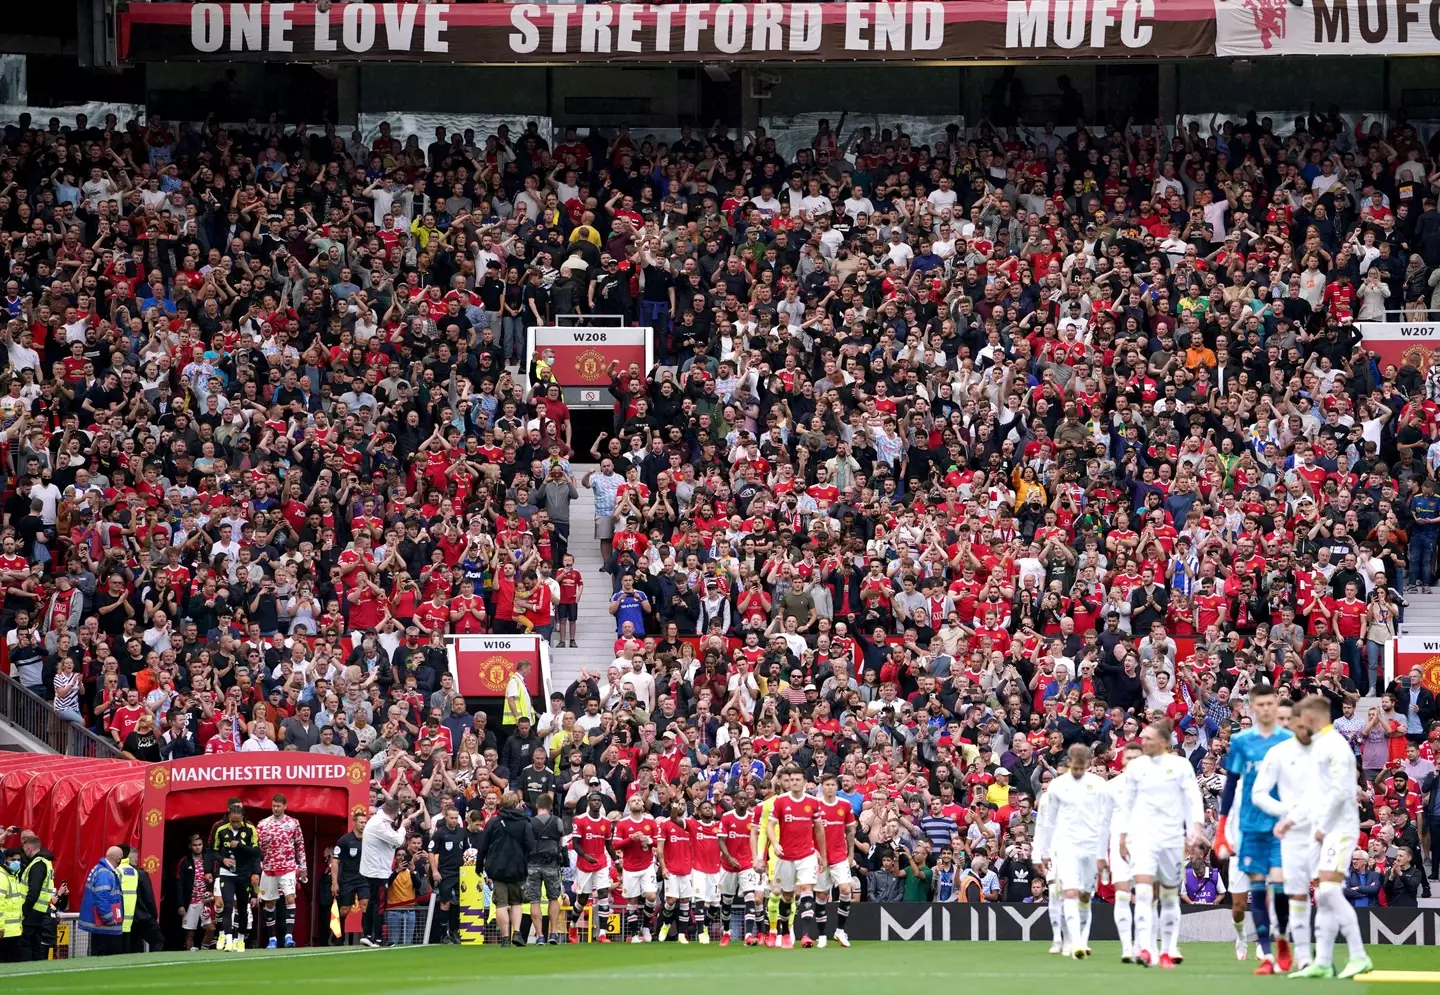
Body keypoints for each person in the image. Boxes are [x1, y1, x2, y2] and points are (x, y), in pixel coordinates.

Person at [1283, 695, 1372, 979]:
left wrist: (1323, 825)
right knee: (1322, 895)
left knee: (1330, 891)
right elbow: (1316, 794)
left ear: (1311, 717)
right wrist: (1292, 820)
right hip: (1324, 830)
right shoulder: (1320, 746)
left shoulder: (1335, 746)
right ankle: (1322, 961)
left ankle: (1359, 955)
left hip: (1339, 829)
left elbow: (1343, 791)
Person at [1216, 684, 1294, 974]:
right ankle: (1266, 955)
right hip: (1249, 827)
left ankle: (1282, 938)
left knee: (1280, 885)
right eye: (1258, 704)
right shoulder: (1241, 741)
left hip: (1279, 826)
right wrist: (1222, 828)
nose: (1264, 709)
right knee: (1257, 890)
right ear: (1251, 706)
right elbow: (1232, 784)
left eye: (1269, 704)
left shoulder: (1287, 741)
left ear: (1275, 706)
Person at [1118, 719, 1204, 968]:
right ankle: (1146, 948)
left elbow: (1192, 798)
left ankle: (1168, 948)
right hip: (1143, 838)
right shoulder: (1136, 768)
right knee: (1144, 893)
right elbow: (1127, 804)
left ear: (1164, 742)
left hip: (1172, 839)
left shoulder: (1179, 766)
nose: (1142, 741)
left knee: (1168, 896)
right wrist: (1123, 836)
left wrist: (1195, 828)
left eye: (1148, 738)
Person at [1034, 743, 1107, 959]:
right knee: (1069, 893)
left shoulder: (1099, 784)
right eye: (1073, 767)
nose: (1076, 771)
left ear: (1088, 764)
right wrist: (1043, 852)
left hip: (1091, 847)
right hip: (1066, 846)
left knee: (1084, 896)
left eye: (1080, 767)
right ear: (1069, 763)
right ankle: (1074, 943)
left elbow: (1106, 820)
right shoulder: (1057, 786)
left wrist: (1103, 853)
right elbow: (1047, 823)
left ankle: (1082, 940)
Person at [767, 764, 827, 948]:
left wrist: (822, 855)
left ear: (805, 782)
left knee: (807, 889)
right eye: (791, 780)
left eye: (797, 780)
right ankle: (784, 932)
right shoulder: (780, 801)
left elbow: (819, 830)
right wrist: (775, 843)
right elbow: (770, 825)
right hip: (785, 856)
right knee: (786, 895)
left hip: (806, 854)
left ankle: (806, 935)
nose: (794, 782)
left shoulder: (812, 802)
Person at [1100, 742, 1144, 963]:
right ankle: (1127, 947)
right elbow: (1104, 822)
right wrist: (1101, 855)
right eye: (1130, 758)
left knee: (1145, 897)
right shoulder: (1112, 787)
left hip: (1145, 847)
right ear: (1123, 760)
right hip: (1119, 850)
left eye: (1138, 758)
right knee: (1123, 896)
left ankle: (1141, 945)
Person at [474, 791, 534, 946]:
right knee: (516, 902)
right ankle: (517, 933)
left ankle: (505, 938)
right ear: (516, 804)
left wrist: (479, 866)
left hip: (498, 868)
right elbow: (531, 846)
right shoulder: (524, 822)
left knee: (500, 903)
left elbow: (483, 846)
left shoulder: (494, 822)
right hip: (518, 868)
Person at [358, 798, 420, 947]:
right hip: (378, 871)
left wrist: (400, 818)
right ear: (394, 813)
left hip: (372, 869)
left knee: (373, 903)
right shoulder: (380, 824)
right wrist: (403, 826)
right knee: (379, 905)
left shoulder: (378, 818)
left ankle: (368, 935)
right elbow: (398, 841)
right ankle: (377, 938)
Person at [256, 793, 307, 948]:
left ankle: (288, 936)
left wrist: (303, 867)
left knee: (290, 898)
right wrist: (258, 865)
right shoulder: (263, 824)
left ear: (285, 806)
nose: (276, 808)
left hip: (288, 867)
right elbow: (256, 848)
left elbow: (300, 845)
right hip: (269, 868)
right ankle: (272, 938)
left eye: (278, 806)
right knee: (270, 902)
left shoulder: (293, 823)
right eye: (273, 806)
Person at [209, 800, 260, 952]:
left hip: (244, 874)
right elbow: (211, 851)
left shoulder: (251, 830)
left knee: (243, 908)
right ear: (228, 817)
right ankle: (228, 940)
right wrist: (222, 859)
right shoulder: (221, 829)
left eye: (238, 821)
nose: (235, 825)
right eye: (233, 821)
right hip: (226, 873)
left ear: (243, 817)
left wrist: (240, 846)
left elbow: (257, 853)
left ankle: (241, 940)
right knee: (227, 905)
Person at [814, 773, 856, 948]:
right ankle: (822, 935)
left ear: (836, 787)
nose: (830, 787)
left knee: (846, 889)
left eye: (833, 785)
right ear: (822, 787)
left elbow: (850, 831)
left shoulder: (845, 805)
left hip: (839, 855)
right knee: (822, 895)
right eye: (827, 785)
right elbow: (808, 831)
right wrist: (814, 851)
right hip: (820, 857)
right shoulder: (815, 805)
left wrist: (851, 853)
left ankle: (839, 930)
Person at [612, 794, 659, 943]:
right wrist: (630, 839)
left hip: (647, 865)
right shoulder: (622, 823)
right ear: (628, 805)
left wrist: (648, 840)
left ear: (643, 804)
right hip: (630, 867)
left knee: (651, 896)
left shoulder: (650, 822)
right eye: (633, 800)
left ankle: (645, 926)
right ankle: (633, 935)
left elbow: (659, 842)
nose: (637, 802)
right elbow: (615, 845)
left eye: (639, 800)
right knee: (631, 901)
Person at [569, 792, 613, 944]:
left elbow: (609, 844)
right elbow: (575, 844)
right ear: (588, 802)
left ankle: (602, 934)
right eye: (593, 800)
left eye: (598, 800)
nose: (596, 802)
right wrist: (585, 856)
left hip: (601, 862)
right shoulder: (580, 820)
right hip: (584, 865)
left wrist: (617, 861)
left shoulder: (606, 822)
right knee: (582, 899)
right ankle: (573, 925)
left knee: (603, 894)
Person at [525, 795, 566, 945]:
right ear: (550, 806)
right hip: (551, 863)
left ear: (537, 805)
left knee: (534, 900)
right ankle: (553, 933)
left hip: (533, 864)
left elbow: (527, 843)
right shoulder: (557, 821)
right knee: (553, 898)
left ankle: (540, 935)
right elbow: (561, 842)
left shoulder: (529, 822)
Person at [427, 805, 467, 945]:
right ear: (445, 817)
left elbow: (468, 852)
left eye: (456, 818)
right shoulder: (439, 833)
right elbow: (431, 851)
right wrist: (435, 870)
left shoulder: (462, 832)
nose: (454, 821)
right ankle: (443, 934)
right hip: (445, 873)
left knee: (459, 901)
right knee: (445, 902)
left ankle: (455, 931)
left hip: (461, 872)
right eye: (451, 818)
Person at [76, 846, 125, 956]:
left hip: (102, 927)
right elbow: (102, 897)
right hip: (105, 927)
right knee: (106, 959)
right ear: (118, 859)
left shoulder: (100, 869)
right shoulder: (105, 873)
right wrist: (108, 918)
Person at [329, 812, 369, 946]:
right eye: (361, 822)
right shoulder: (345, 840)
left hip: (364, 878)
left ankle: (368, 935)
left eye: (365, 822)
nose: (363, 825)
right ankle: (337, 935)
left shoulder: (369, 839)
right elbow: (335, 862)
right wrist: (334, 882)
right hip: (348, 878)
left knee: (365, 905)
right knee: (345, 909)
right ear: (354, 823)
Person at [175, 833, 214, 952]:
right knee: (190, 932)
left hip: (206, 901)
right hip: (191, 901)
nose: (197, 847)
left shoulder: (208, 859)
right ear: (190, 846)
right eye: (195, 845)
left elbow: (215, 878)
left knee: (210, 928)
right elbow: (179, 884)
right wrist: (181, 904)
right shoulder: (184, 861)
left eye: (200, 845)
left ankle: (203, 951)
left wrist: (212, 894)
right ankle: (189, 955)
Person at [18, 831, 53, 962]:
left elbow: (33, 892)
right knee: (35, 944)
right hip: (40, 911)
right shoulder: (45, 862)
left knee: (26, 944)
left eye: (24, 849)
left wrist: (24, 911)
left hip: (32, 912)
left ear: (28, 848)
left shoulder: (37, 865)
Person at [0, 848, 24, 962]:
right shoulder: (2, 877)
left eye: (18, 860)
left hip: (14, 930)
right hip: (4, 932)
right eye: (13, 859)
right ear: (5, 860)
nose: (16, 862)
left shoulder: (14, 877)